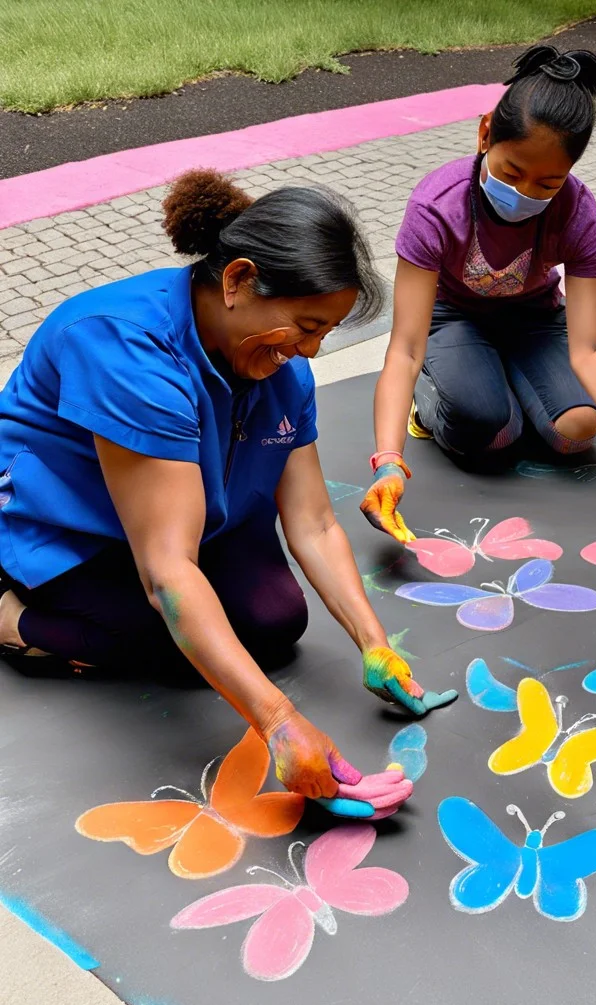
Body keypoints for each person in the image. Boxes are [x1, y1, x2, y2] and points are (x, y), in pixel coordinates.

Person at [0, 171, 455, 814]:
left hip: (191, 507)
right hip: (70, 523)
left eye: (325, 331)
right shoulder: (127, 349)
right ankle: (13, 619)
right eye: (305, 325)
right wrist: (280, 724)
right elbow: (166, 572)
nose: (312, 352)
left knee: (273, 623)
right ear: (238, 281)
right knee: (169, 643)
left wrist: (376, 645)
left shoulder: (277, 363)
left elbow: (316, 523)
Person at [361, 45, 596, 544]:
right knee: (492, 435)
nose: (527, 194)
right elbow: (405, 347)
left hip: (533, 320)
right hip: (452, 319)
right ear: (485, 131)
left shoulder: (579, 215)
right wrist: (389, 459)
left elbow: (589, 347)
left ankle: (502, 381)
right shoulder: (437, 205)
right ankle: (431, 407)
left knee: (577, 431)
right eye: (512, 174)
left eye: (548, 183)